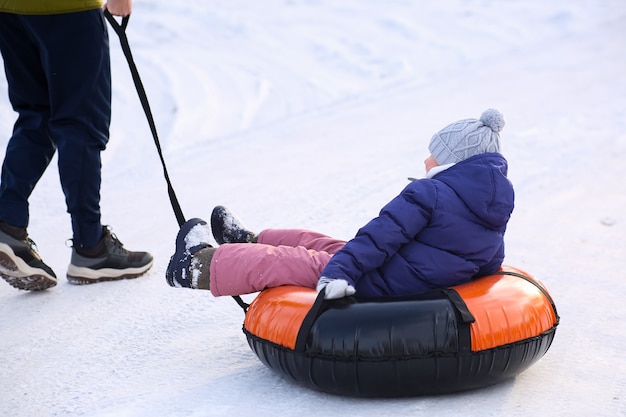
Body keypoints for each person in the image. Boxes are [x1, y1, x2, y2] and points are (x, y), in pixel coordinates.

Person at [166, 109, 514, 300]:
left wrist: (341, 271)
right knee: (324, 244)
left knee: (295, 261)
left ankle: (195, 266)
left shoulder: (429, 194)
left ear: (450, 162)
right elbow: (489, 265)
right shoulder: (491, 213)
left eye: (433, 155)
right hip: (405, 274)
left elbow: (379, 238)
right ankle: (251, 239)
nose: (426, 161)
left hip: (382, 281)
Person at [0, 0, 153, 291]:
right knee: (79, 121)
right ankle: (90, 246)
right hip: (69, 7)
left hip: (9, 9)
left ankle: (7, 224)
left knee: (36, 113)